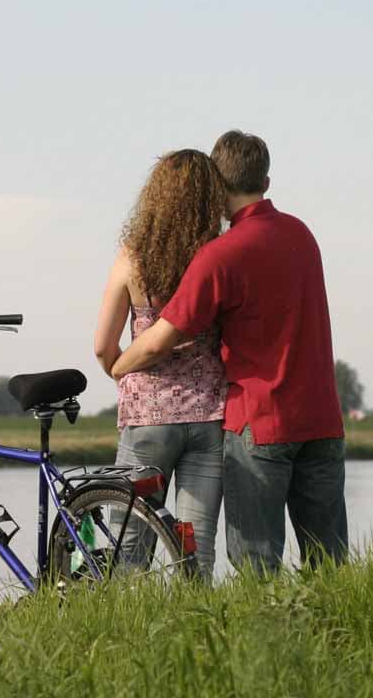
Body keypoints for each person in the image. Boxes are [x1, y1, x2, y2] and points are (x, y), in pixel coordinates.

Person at [111, 131, 347, 574]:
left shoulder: (221, 255)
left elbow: (161, 338)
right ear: (267, 182)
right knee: (329, 562)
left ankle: (264, 643)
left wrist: (119, 366)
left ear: (216, 186)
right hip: (322, 419)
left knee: (256, 562)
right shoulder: (303, 235)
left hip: (260, 422)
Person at [94, 148, 231, 578]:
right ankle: (196, 632)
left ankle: (124, 633)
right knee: (197, 544)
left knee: (130, 544)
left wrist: (123, 372)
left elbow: (102, 346)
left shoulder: (133, 257)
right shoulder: (219, 255)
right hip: (210, 415)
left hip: (147, 417)